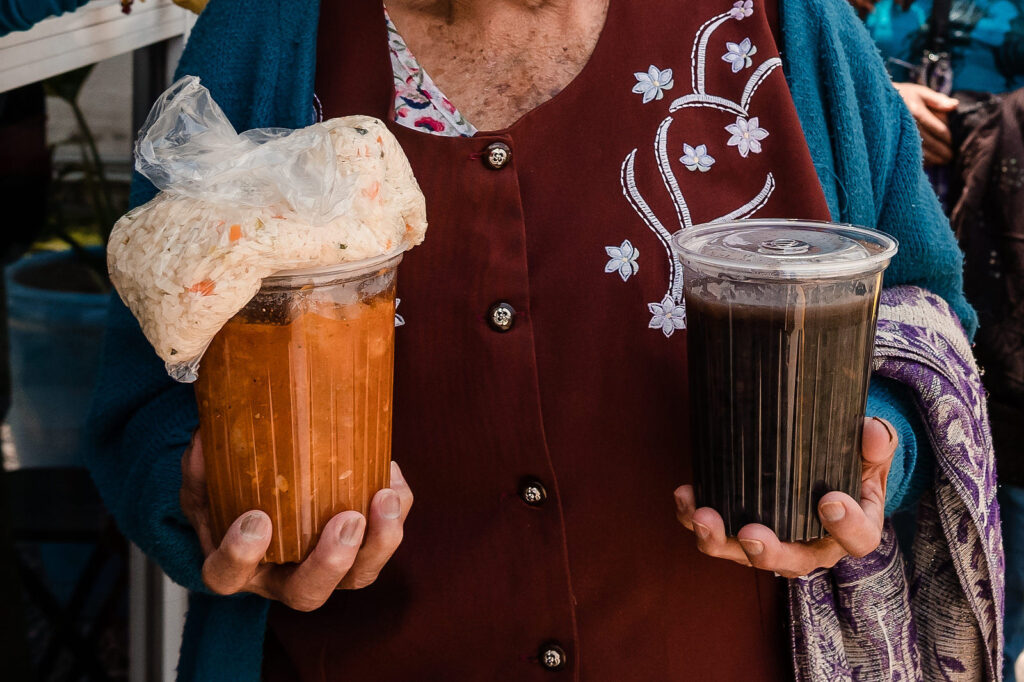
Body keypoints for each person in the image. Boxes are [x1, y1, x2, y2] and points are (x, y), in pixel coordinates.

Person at [1, 0, 1001, 679]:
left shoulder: (787, 26)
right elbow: (150, 395)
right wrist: (199, 494)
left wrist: (871, 452)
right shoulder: (270, 32)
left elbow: (918, 313)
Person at [859, 2, 1024, 679]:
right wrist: (885, 106)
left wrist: (974, 123)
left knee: (997, 570)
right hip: (895, 301)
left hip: (1005, 295)